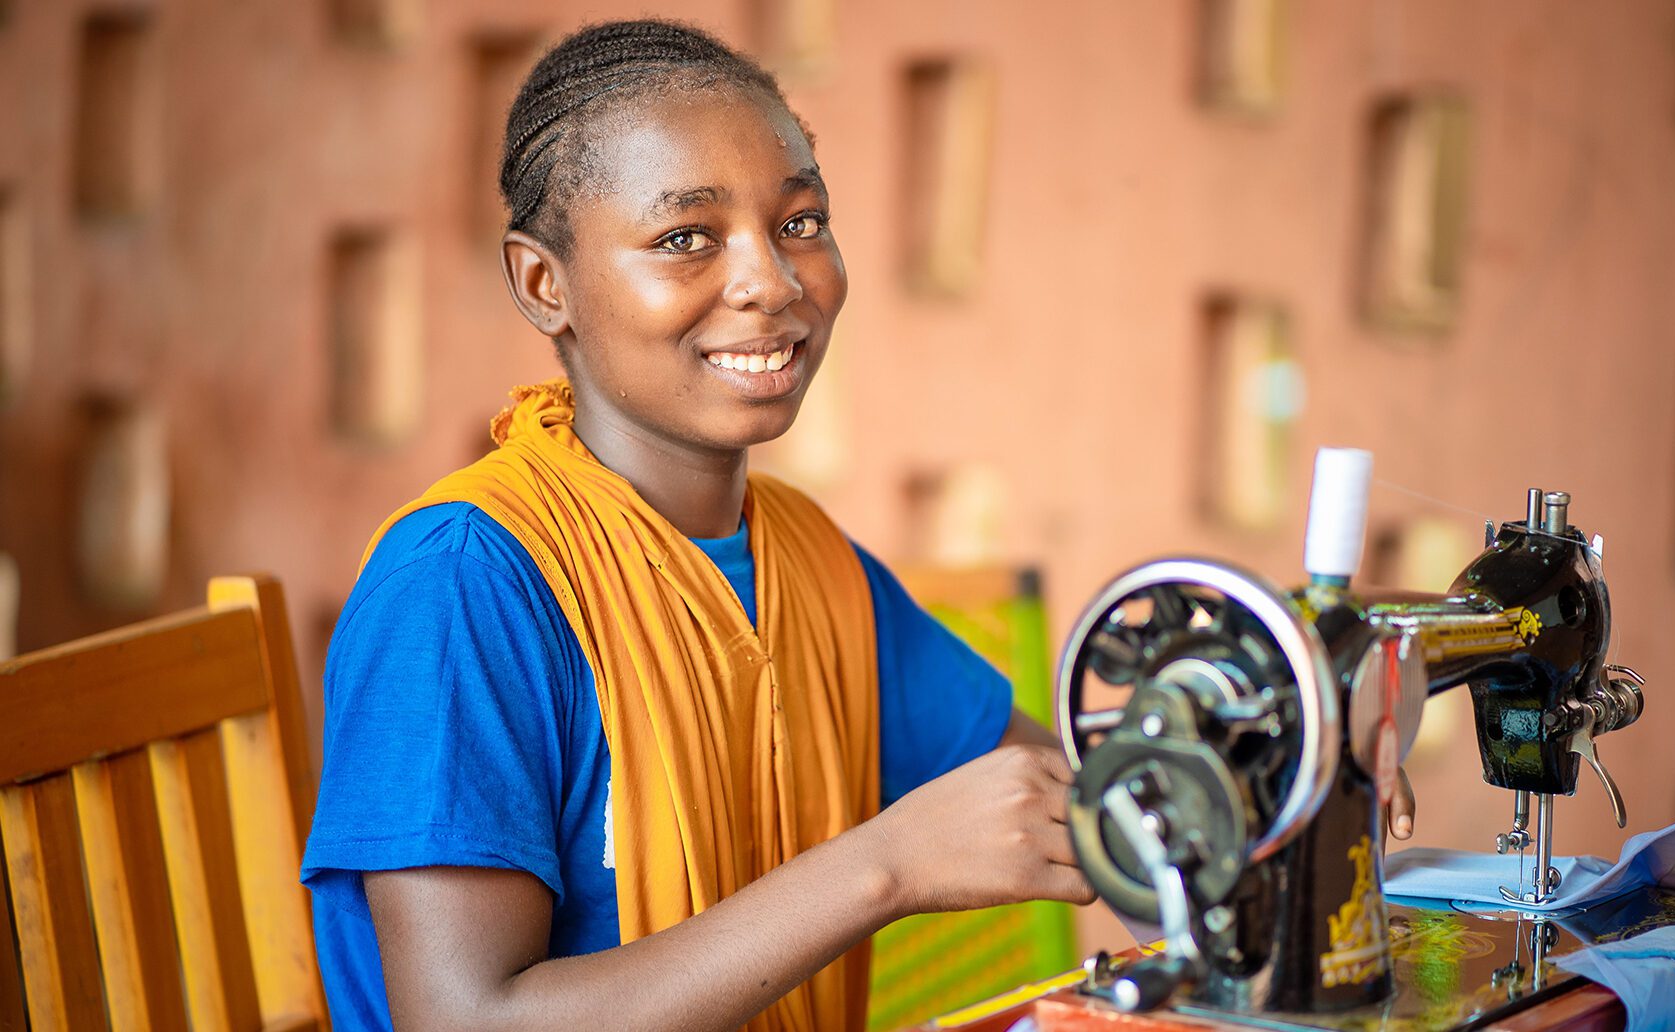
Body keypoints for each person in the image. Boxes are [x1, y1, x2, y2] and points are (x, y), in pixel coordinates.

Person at [301, 19, 1413, 1032]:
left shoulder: (803, 561)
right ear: (545, 283)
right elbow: (465, 1021)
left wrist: (1305, 730)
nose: (773, 280)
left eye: (800, 221)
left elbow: (1084, 797)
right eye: (688, 236)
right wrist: (884, 868)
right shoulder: (460, 587)